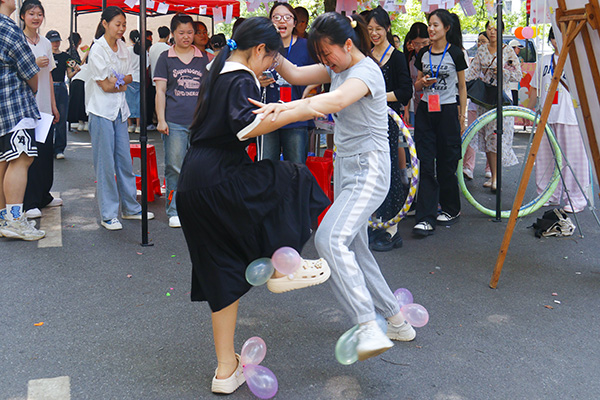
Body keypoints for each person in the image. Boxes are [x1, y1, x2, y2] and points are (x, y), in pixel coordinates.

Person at [176, 17, 331, 394]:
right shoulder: (241, 76)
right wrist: (300, 109)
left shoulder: (217, 71)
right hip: (219, 177)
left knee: (222, 274)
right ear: (260, 50)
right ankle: (284, 266)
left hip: (192, 184)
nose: (271, 67)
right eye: (271, 59)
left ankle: (225, 371)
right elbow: (246, 127)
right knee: (292, 177)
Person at [255, 11, 418, 363]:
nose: (325, 61)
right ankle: (396, 320)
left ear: (347, 44)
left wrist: (284, 109)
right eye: (321, 56)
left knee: (329, 239)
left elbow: (335, 101)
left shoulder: (366, 71)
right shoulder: (338, 67)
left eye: (327, 54)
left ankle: (367, 324)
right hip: (347, 168)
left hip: (369, 169)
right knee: (355, 249)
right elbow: (295, 74)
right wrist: (272, 47)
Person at [86, 6, 154, 230]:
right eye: (118, 24)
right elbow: (106, 86)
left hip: (119, 111)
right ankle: (108, 214)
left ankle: (130, 207)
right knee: (105, 164)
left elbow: (130, 77)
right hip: (101, 112)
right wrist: (120, 82)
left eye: (124, 24)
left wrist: (118, 81)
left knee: (124, 161)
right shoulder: (97, 49)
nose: (122, 28)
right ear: (105, 24)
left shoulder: (123, 47)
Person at [411, 9, 467, 237]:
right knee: (426, 162)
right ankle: (426, 217)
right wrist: (422, 82)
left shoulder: (455, 53)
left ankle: (451, 209)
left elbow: (462, 87)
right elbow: (416, 85)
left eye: (435, 25)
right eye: (430, 25)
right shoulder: (423, 54)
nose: (431, 29)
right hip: (426, 111)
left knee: (446, 162)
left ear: (446, 28)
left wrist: (462, 116)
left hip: (448, 111)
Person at [154, 14, 210, 229]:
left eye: (190, 32)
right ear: (173, 34)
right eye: (181, 33)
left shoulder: (204, 58)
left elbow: (209, 92)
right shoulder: (165, 58)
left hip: (199, 123)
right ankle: (174, 210)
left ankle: (196, 208)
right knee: (174, 167)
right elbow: (160, 91)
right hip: (174, 122)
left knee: (199, 167)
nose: (186, 37)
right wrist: (161, 119)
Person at [366, 6, 412, 252]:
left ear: (388, 28)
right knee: (371, 172)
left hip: (388, 122)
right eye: (370, 29)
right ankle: (376, 222)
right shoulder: (365, 55)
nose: (374, 33)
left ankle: (392, 230)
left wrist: (377, 97)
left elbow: (406, 92)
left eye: (378, 29)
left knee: (390, 170)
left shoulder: (397, 57)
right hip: (367, 122)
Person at [528, 27, 589, 213]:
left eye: (560, 37)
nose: (556, 41)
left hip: (570, 116)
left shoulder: (577, 59)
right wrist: (529, 113)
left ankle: (576, 198)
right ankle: (547, 194)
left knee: (574, 159)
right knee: (545, 157)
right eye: (553, 37)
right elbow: (535, 87)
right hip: (547, 116)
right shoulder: (544, 61)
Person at [0, 0, 45, 241]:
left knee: (3, 162)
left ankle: (4, 218)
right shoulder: (8, 28)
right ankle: (15, 220)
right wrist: (34, 88)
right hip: (15, 105)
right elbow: (30, 71)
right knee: (21, 158)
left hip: (2, 107)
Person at [465, 20, 521, 192]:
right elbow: (472, 73)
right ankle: (493, 176)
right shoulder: (481, 50)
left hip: (501, 98)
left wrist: (503, 72)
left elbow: (518, 74)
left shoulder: (508, 51)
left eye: (496, 29)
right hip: (485, 99)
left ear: (502, 31)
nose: (492, 32)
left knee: (498, 136)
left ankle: (496, 177)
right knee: (488, 137)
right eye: (489, 29)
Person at [21, 0, 62, 220]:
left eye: (39, 14)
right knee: (29, 156)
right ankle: (30, 202)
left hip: (45, 107)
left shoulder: (46, 42)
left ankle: (44, 195)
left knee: (45, 154)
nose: (36, 18)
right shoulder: (19, 41)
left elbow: (49, 76)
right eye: (31, 13)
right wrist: (34, 63)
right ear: (23, 16)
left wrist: (53, 106)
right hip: (25, 108)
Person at [259, 2, 314, 163]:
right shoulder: (262, 47)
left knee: (296, 168)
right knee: (266, 167)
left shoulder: (306, 46)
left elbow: (323, 73)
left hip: (296, 117)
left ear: (294, 22)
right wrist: (258, 80)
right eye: (276, 17)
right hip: (268, 117)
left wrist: (310, 89)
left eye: (287, 17)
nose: (282, 21)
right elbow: (249, 74)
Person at [462, 31, 490, 181]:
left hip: (490, 105)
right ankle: (468, 167)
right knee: (471, 135)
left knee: (490, 137)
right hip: (474, 104)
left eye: (483, 41)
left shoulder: (496, 59)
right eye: (478, 41)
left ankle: (490, 169)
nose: (480, 44)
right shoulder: (474, 61)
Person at [46, 30, 76, 160]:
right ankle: (47, 148)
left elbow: (69, 74)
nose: (55, 43)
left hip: (61, 87)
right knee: (47, 118)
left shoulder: (65, 56)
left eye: (57, 41)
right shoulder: (45, 56)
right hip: (48, 87)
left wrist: (75, 71)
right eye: (53, 41)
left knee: (61, 119)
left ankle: (59, 148)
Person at [403, 22, 429, 127]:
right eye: (417, 44)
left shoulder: (436, 56)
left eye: (424, 43)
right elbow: (407, 85)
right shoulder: (408, 58)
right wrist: (406, 109)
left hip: (435, 102)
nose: (421, 47)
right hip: (416, 104)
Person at [66, 32, 88, 133]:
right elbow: (78, 66)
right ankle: (80, 121)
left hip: (74, 78)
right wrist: (86, 55)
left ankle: (79, 122)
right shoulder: (72, 52)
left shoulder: (70, 51)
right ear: (79, 41)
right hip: (76, 77)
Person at [126, 29, 141, 133]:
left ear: (130, 39)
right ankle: (138, 126)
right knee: (139, 102)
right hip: (140, 79)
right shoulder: (143, 50)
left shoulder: (127, 50)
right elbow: (146, 66)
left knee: (128, 102)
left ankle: (130, 125)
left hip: (129, 78)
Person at [508, 39, 523, 105]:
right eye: (518, 48)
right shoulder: (507, 58)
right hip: (509, 86)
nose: (519, 50)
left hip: (515, 85)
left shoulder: (517, 58)